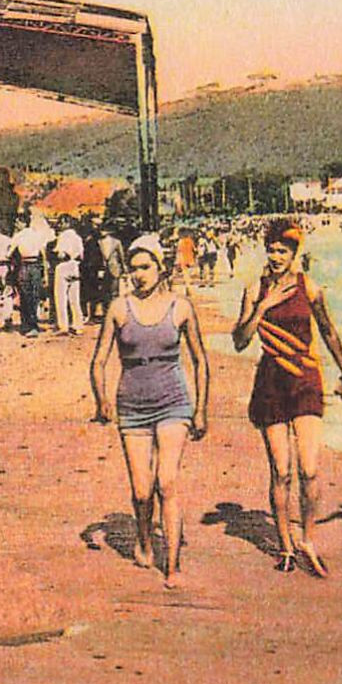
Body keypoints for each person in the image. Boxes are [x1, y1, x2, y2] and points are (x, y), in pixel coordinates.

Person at [233, 219, 342, 578]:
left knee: (310, 468)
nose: (274, 257)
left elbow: (329, 331)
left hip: (306, 380)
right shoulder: (255, 288)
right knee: (282, 471)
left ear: (293, 254)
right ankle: (285, 547)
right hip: (271, 383)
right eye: (270, 250)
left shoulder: (310, 287)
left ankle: (309, 539)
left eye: (282, 251)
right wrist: (262, 305)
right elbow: (240, 339)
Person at [90, 235, 210, 589]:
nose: (139, 274)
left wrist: (200, 409)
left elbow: (201, 361)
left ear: (161, 268)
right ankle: (144, 537)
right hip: (132, 405)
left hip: (173, 402)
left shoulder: (181, 307)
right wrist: (101, 400)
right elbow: (98, 361)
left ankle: (172, 565)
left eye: (146, 267)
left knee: (167, 482)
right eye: (134, 268)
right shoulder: (118, 309)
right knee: (142, 491)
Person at [9, 216, 51, 335]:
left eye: (17, 221)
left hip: (24, 266)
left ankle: (27, 324)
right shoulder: (37, 235)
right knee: (34, 296)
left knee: (25, 295)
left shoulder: (18, 236)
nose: (16, 224)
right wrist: (45, 274)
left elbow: (9, 253)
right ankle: (33, 324)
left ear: (23, 223)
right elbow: (43, 254)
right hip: (36, 266)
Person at [53, 220, 85, 335]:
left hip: (63, 266)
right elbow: (81, 256)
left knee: (61, 298)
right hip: (75, 266)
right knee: (75, 299)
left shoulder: (63, 236)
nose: (60, 225)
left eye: (61, 223)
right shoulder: (78, 237)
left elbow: (61, 254)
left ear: (66, 223)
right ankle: (78, 325)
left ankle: (63, 326)